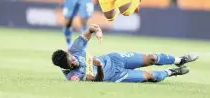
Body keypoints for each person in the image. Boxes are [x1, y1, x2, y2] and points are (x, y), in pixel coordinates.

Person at [52, 24, 199, 82]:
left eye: (71, 58)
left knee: (152, 58)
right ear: (67, 68)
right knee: (151, 76)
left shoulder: (75, 49)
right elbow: (98, 81)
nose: (74, 61)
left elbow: (91, 28)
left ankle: (180, 59)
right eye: (71, 64)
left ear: (68, 53)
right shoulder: (74, 77)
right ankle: (172, 72)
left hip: (115, 59)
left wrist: (98, 31)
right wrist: (101, 67)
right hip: (116, 75)